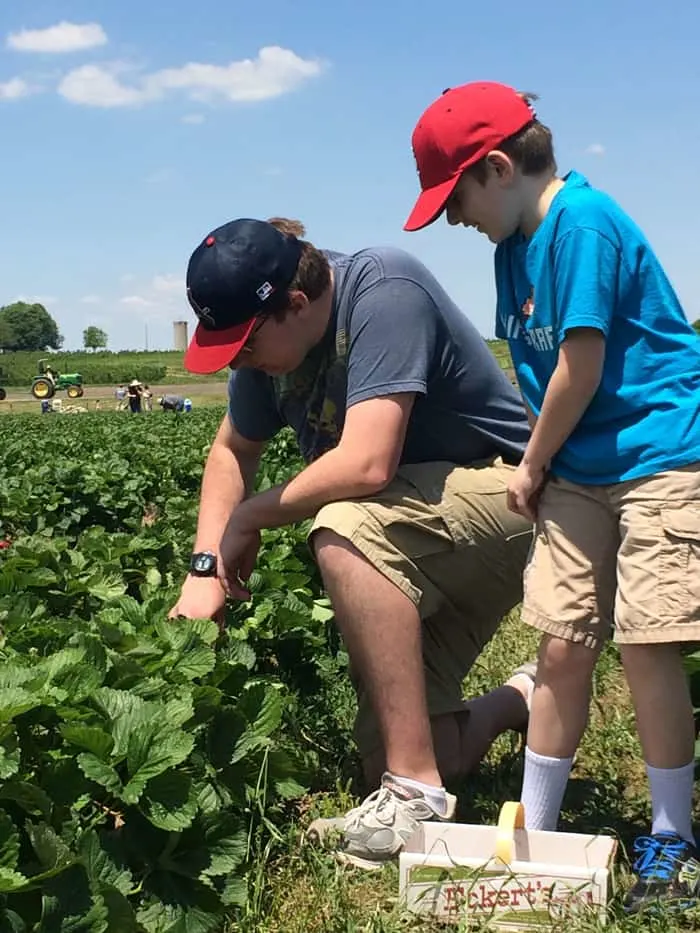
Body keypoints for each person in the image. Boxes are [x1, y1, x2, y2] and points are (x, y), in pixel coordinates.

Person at [404, 81, 700, 913]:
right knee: (563, 643)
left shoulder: (585, 223)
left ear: (496, 167)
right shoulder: (511, 249)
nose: (452, 216)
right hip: (576, 466)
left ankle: (672, 835)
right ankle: (530, 832)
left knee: (646, 643)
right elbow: (537, 374)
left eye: (453, 195)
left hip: (659, 457)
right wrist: (547, 458)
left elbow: (582, 365)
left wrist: (528, 466)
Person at [171, 215, 537, 868]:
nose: (240, 360)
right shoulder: (267, 351)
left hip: (511, 499)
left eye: (245, 344)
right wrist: (204, 567)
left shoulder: (384, 288)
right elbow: (232, 449)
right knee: (410, 750)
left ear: (297, 302)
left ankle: (414, 791)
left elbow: (368, 462)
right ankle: (518, 700)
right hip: (420, 529)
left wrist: (250, 517)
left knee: (344, 522)